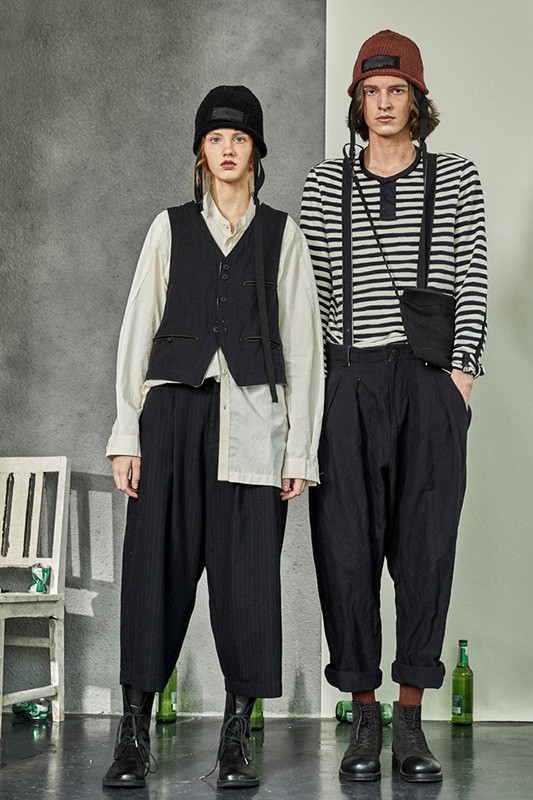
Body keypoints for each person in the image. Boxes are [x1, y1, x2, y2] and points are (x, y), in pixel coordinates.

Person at [103, 85, 324, 790]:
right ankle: (133, 733)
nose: (228, 150)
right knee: (153, 575)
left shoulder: (283, 236)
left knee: (249, 583)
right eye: (215, 139)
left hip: (254, 423)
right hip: (171, 418)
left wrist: (300, 449)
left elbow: (304, 348)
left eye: (240, 138)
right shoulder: (168, 229)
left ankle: (235, 739)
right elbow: (137, 330)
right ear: (200, 153)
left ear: (257, 151)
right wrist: (126, 433)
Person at [301, 30, 487, 783]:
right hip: (347, 380)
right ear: (357, 101)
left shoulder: (457, 177)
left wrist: (460, 378)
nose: (383, 104)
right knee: (344, 549)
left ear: (417, 100)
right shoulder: (325, 184)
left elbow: (473, 277)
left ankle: (410, 721)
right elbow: (309, 298)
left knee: (425, 549)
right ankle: (363, 715)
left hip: (427, 382)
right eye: (371, 92)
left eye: (396, 91)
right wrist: (316, 394)